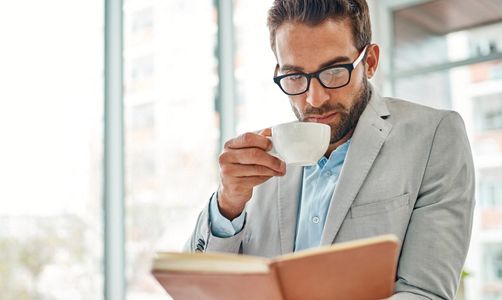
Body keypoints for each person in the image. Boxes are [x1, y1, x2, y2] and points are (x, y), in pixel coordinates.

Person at [184, 0, 475, 298]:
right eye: (295, 76)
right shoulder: (258, 158)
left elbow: (425, 292)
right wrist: (227, 204)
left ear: (370, 61)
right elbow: (197, 289)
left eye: (334, 71)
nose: (314, 99)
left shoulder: (434, 136)